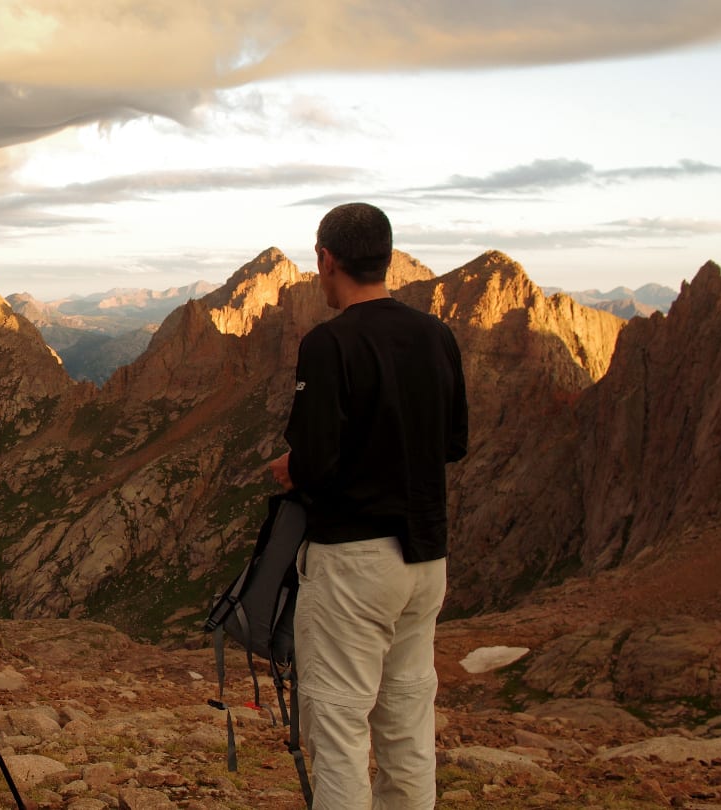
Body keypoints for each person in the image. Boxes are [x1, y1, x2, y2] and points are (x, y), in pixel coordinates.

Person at [267, 202, 468, 809]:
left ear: (327, 261)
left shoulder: (329, 343)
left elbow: (316, 461)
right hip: (426, 560)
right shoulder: (437, 335)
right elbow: (453, 444)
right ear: (385, 257)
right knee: (407, 719)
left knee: (338, 726)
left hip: (353, 566)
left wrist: (289, 468)